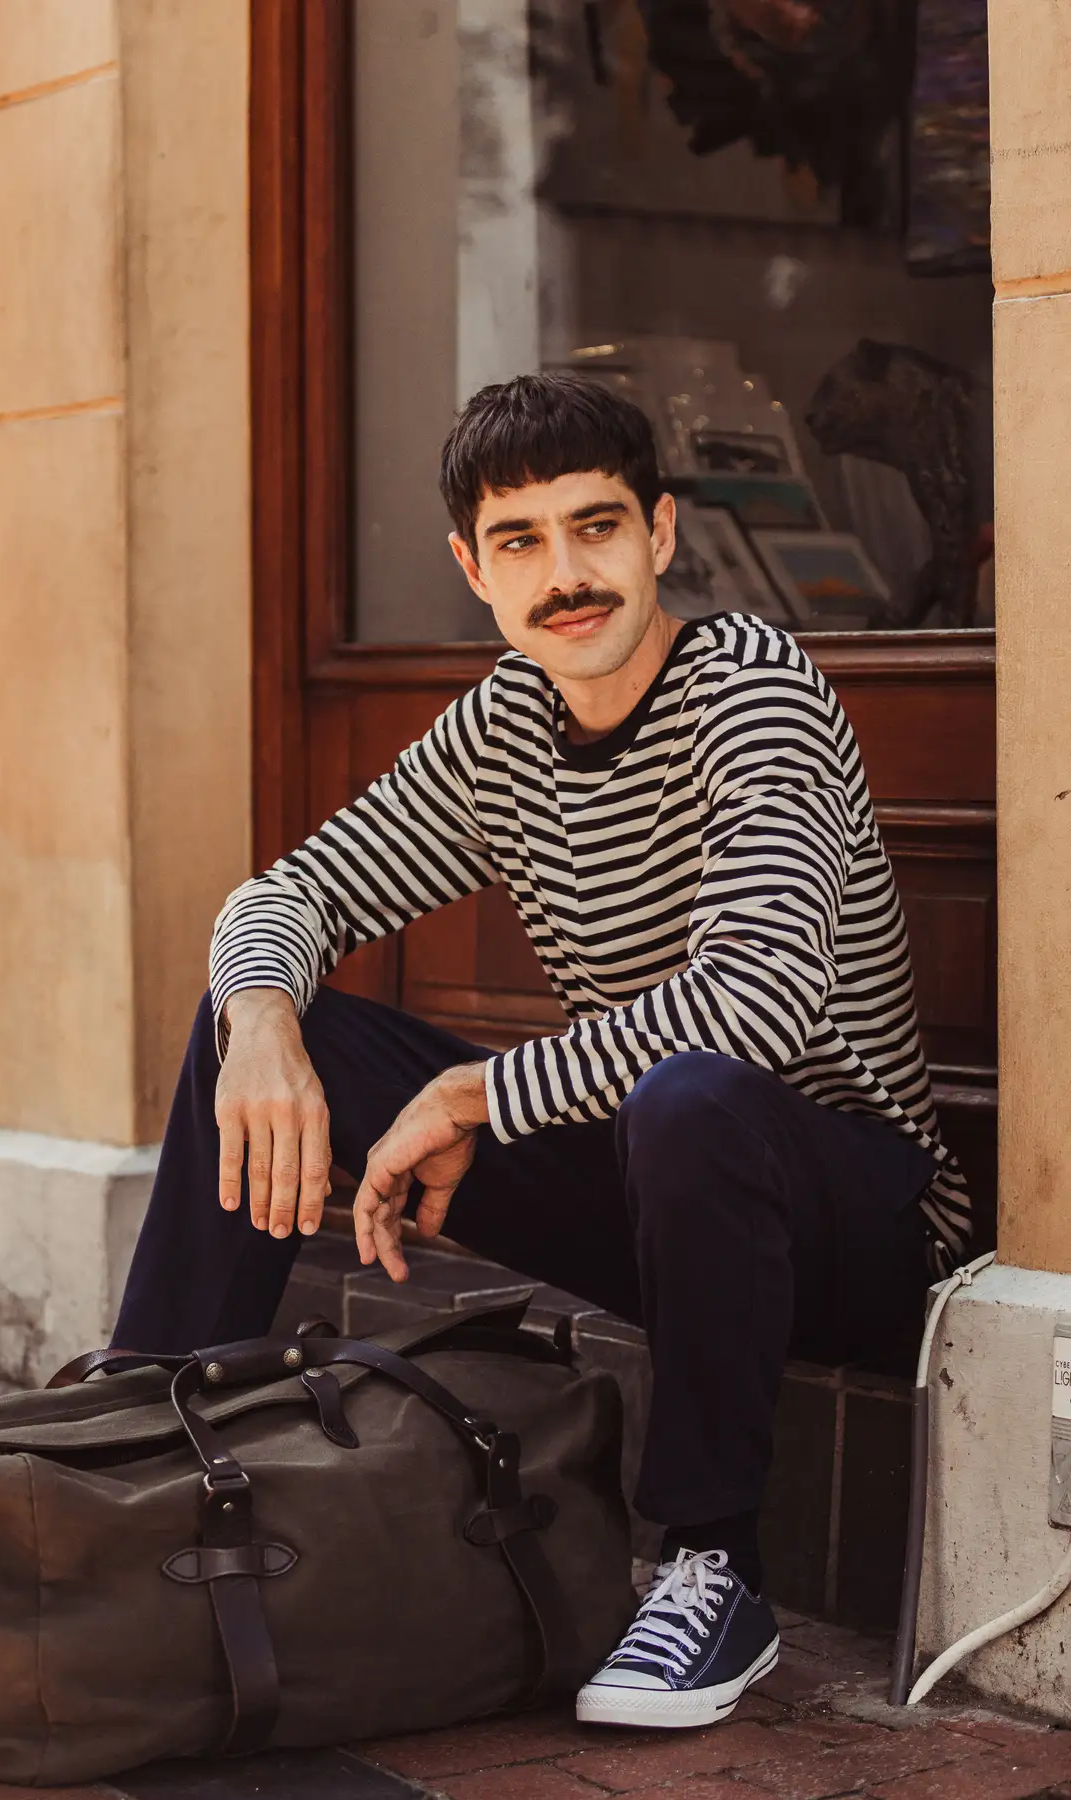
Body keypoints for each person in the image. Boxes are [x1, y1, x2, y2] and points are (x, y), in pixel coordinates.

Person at [115, 372, 968, 1731]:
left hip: (858, 1223)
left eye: (597, 528)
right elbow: (290, 895)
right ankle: (138, 1454)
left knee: (694, 1097)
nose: (566, 575)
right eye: (521, 543)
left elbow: (757, 1001)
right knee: (279, 1027)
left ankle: (713, 1568)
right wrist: (259, 1020)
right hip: (663, 1194)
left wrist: (475, 1094)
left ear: (663, 535)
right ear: (473, 567)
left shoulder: (758, 693)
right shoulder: (506, 724)